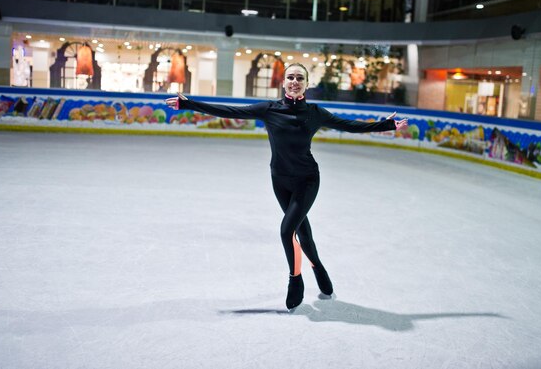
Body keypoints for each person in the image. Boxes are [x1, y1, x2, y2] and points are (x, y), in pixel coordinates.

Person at [165, 63, 408, 310]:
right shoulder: (269, 109)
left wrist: (385, 125)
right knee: (302, 232)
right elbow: (229, 111)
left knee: (286, 230)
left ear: (306, 83)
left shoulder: (315, 113)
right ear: (284, 83)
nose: (294, 81)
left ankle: (295, 279)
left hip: (307, 180)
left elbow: (350, 125)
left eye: (299, 78)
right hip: (279, 180)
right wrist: (189, 103)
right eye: (290, 77)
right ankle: (319, 269)